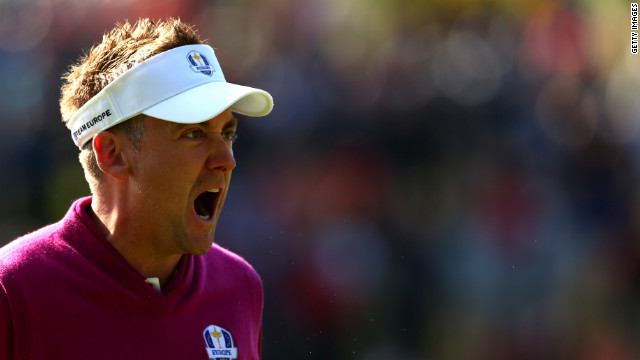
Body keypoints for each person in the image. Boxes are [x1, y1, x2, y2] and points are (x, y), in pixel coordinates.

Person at [0, 18, 273, 359]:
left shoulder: (240, 286)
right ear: (112, 155)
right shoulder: (13, 290)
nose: (226, 159)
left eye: (228, 133)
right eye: (194, 133)